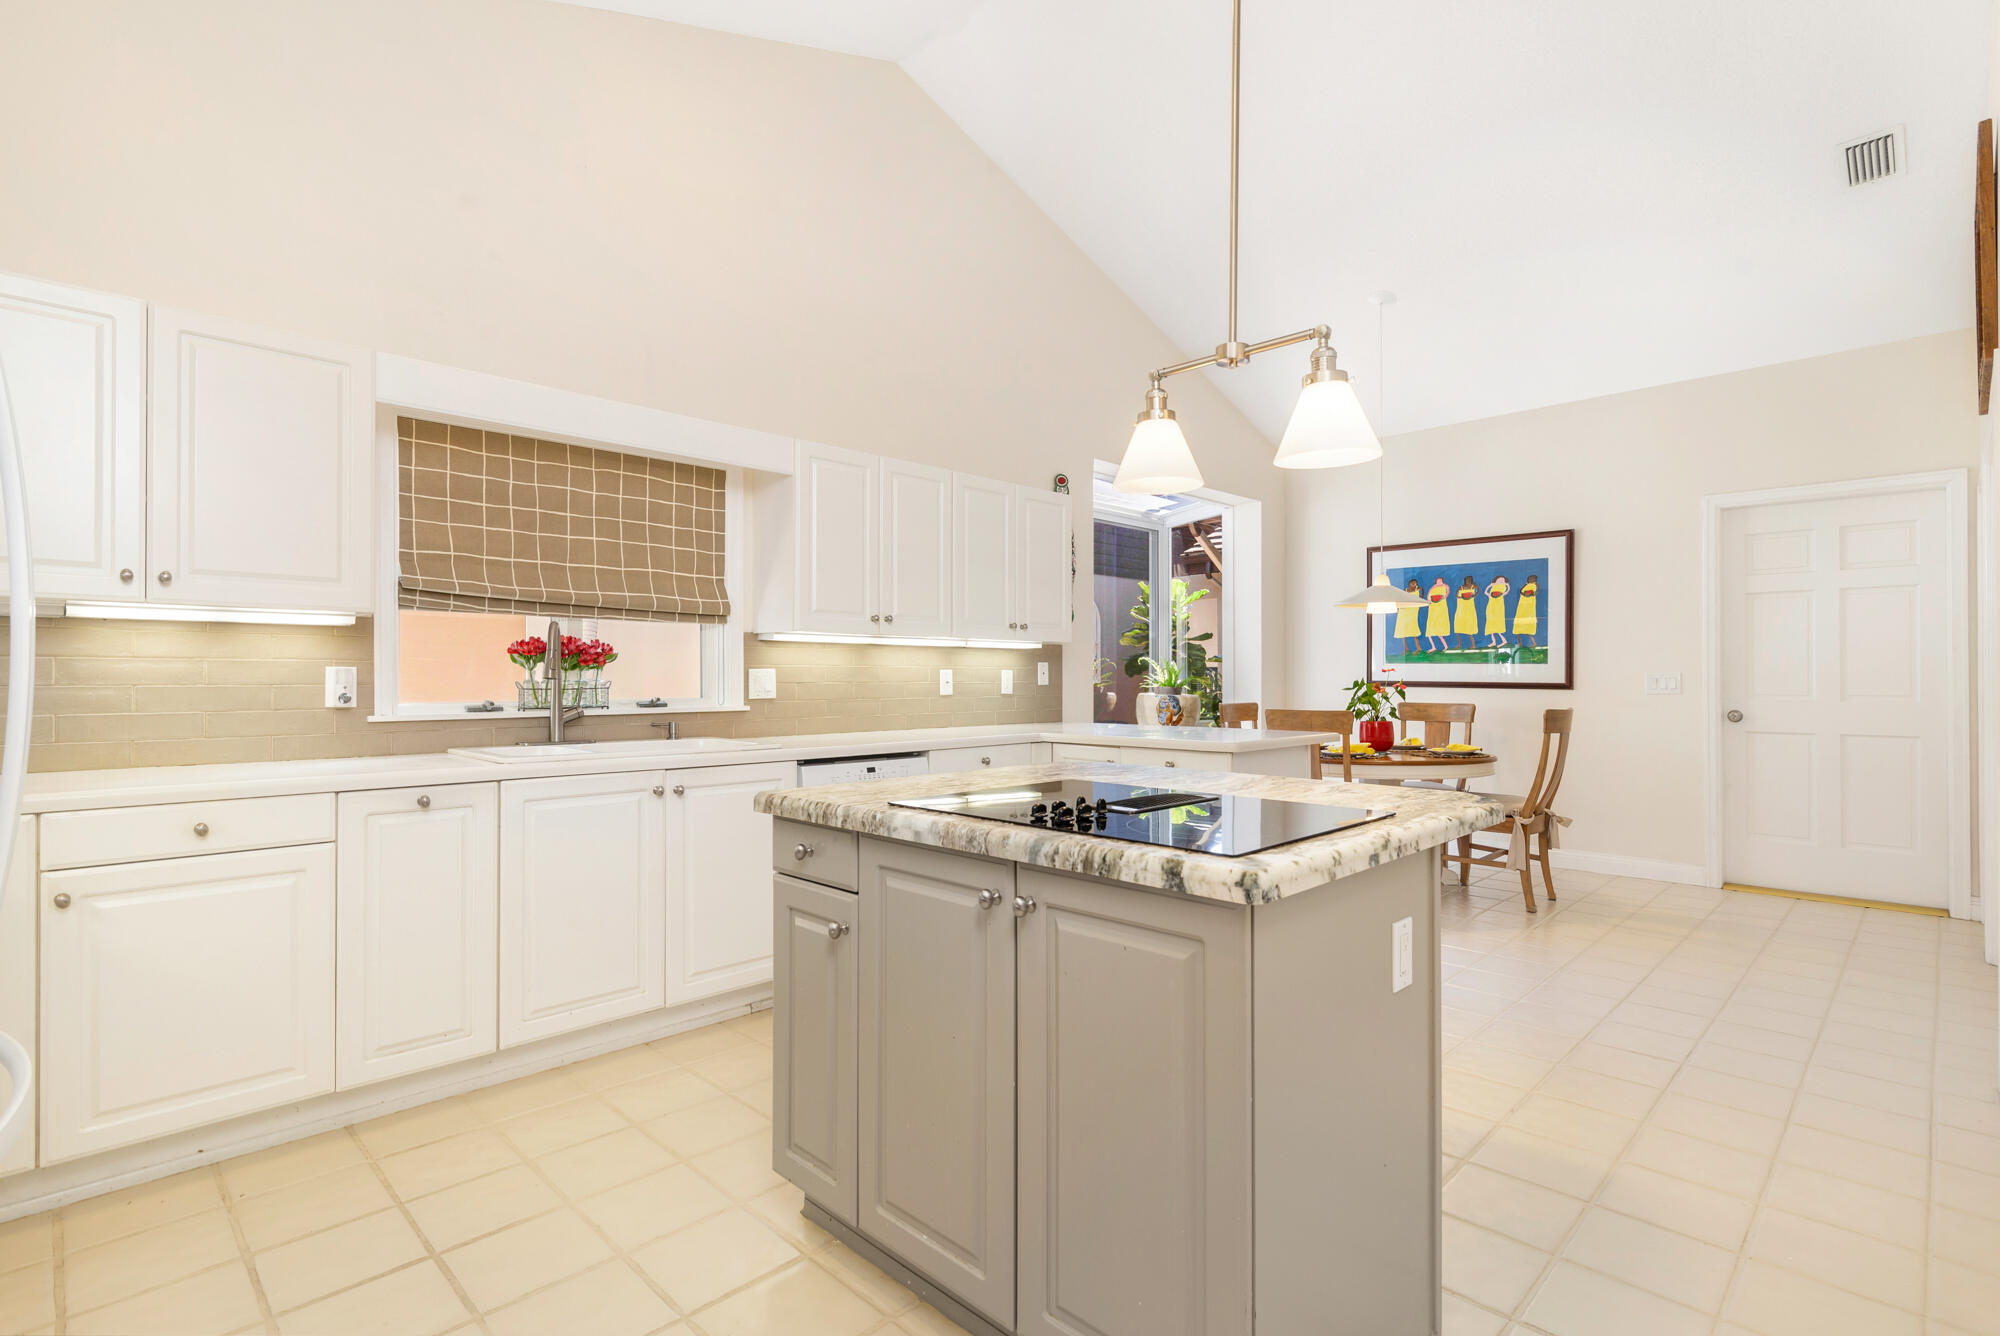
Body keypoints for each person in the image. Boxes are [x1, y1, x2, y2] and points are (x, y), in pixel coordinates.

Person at [1393, 578, 1423, 655]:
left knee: (1413, 627)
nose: (1414, 584)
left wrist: (1421, 597)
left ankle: (1418, 648)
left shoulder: (1417, 588)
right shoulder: (1406, 590)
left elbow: (1422, 591)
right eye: (1412, 583)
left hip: (1413, 610)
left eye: (1415, 583)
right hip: (1404, 610)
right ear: (1409, 584)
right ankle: (1406, 648)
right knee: (1403, 627)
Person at [1423, 576, 1451, 652]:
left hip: (1441, 610)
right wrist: (1430, 599)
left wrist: (1443, 597)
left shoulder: (1445, 586)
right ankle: (1433, 647)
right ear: (1435, 582)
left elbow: (1447, 592)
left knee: (1439, 631)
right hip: (1433, 609)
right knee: (1429, 631)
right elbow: (1428, 597)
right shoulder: (1433, 588)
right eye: (1438, 581)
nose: (1439, 582)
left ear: (1443, 581)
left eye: (1441, 581)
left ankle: (1445, 646)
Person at [1483, 574, 1510, 648]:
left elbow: (1506, 592)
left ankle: (1504, 641)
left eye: (1502, 580)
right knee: (1490, 625)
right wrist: (1490, 585)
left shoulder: (1503, 587)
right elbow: (1485, 592)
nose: (1500, 581)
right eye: (1499, 580)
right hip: (1490, 607)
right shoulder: (1493, 587)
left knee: (1497, 625)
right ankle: (1494, 642)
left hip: (1498, 608)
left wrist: (1507, 585)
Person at [1513, 573, 1540, 648]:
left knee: (1528, 627)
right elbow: (1521, 591)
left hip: (1529, 607)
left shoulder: (1535, 585)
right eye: (1529, 579)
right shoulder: (1526, 585)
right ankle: (1520, 643)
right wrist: (1523, 594)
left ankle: (1534, 643)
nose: (1530, 580)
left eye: (1532, 579)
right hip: (1522, 606)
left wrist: (1535, 593)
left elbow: (1537, 589)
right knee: (1518, 626)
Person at [1453, 575, 1479, 650]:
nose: (1468, 581)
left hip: (1470, 609)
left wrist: (1474, 595)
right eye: (1467, 580)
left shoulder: (1473, 587)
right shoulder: (1461, 587)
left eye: (1469, 580)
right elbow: (1456, 595)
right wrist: (1460, 597)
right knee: (1458, 626)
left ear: (1471, 580)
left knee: (1469, 627)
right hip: (1461, 608)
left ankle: (1473, 645)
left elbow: (1478, 589)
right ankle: (1459, 644)